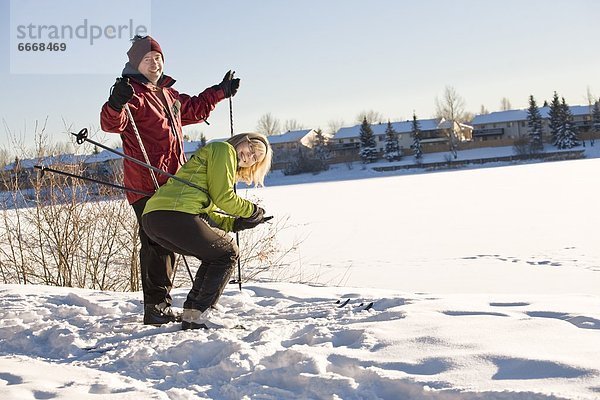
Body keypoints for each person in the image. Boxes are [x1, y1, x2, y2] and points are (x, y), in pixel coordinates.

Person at [100, 35, 240, 325]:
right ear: (135, 64)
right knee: (156, 243)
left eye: (158, 57)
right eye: (148, 59)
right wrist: (115, 102)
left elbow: (196, 108)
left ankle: (181, 304)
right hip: (145, 183)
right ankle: (156, 307)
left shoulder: (169, 95)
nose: (155, 62)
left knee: (176, 240)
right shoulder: (132, 94)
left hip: (175, 183)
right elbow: (112, 122)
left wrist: (220, 91)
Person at [141, 133, 272, 330]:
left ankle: (193, 313)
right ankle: (200, 313)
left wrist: (236, 224)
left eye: (255, 158)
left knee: (215, 255)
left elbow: (207, 213)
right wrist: (252, 211)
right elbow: (224, 198)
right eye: (251, 147)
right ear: (242, 139)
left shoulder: (219, 159)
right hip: (175, 214)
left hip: (155, 218)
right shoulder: (224, 149)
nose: (249, 155)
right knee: (227, 252)